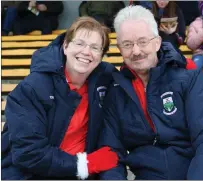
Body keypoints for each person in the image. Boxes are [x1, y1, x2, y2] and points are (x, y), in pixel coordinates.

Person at [98, 5, 203, 180]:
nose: (136, 51)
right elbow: (110, 152)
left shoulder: (189, 77)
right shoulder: (117, 91)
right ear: (119, 48)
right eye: (127, 44)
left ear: (157, 42)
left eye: (143, 41)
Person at [1, 16, 118, 180]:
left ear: (101, 56)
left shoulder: (106, 81)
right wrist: (86, 164)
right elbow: (28, 153)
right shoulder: (32, 88)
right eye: (79, 43)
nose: (86, 52)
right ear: (65, 46)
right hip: (28, 174)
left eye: (95, 47)